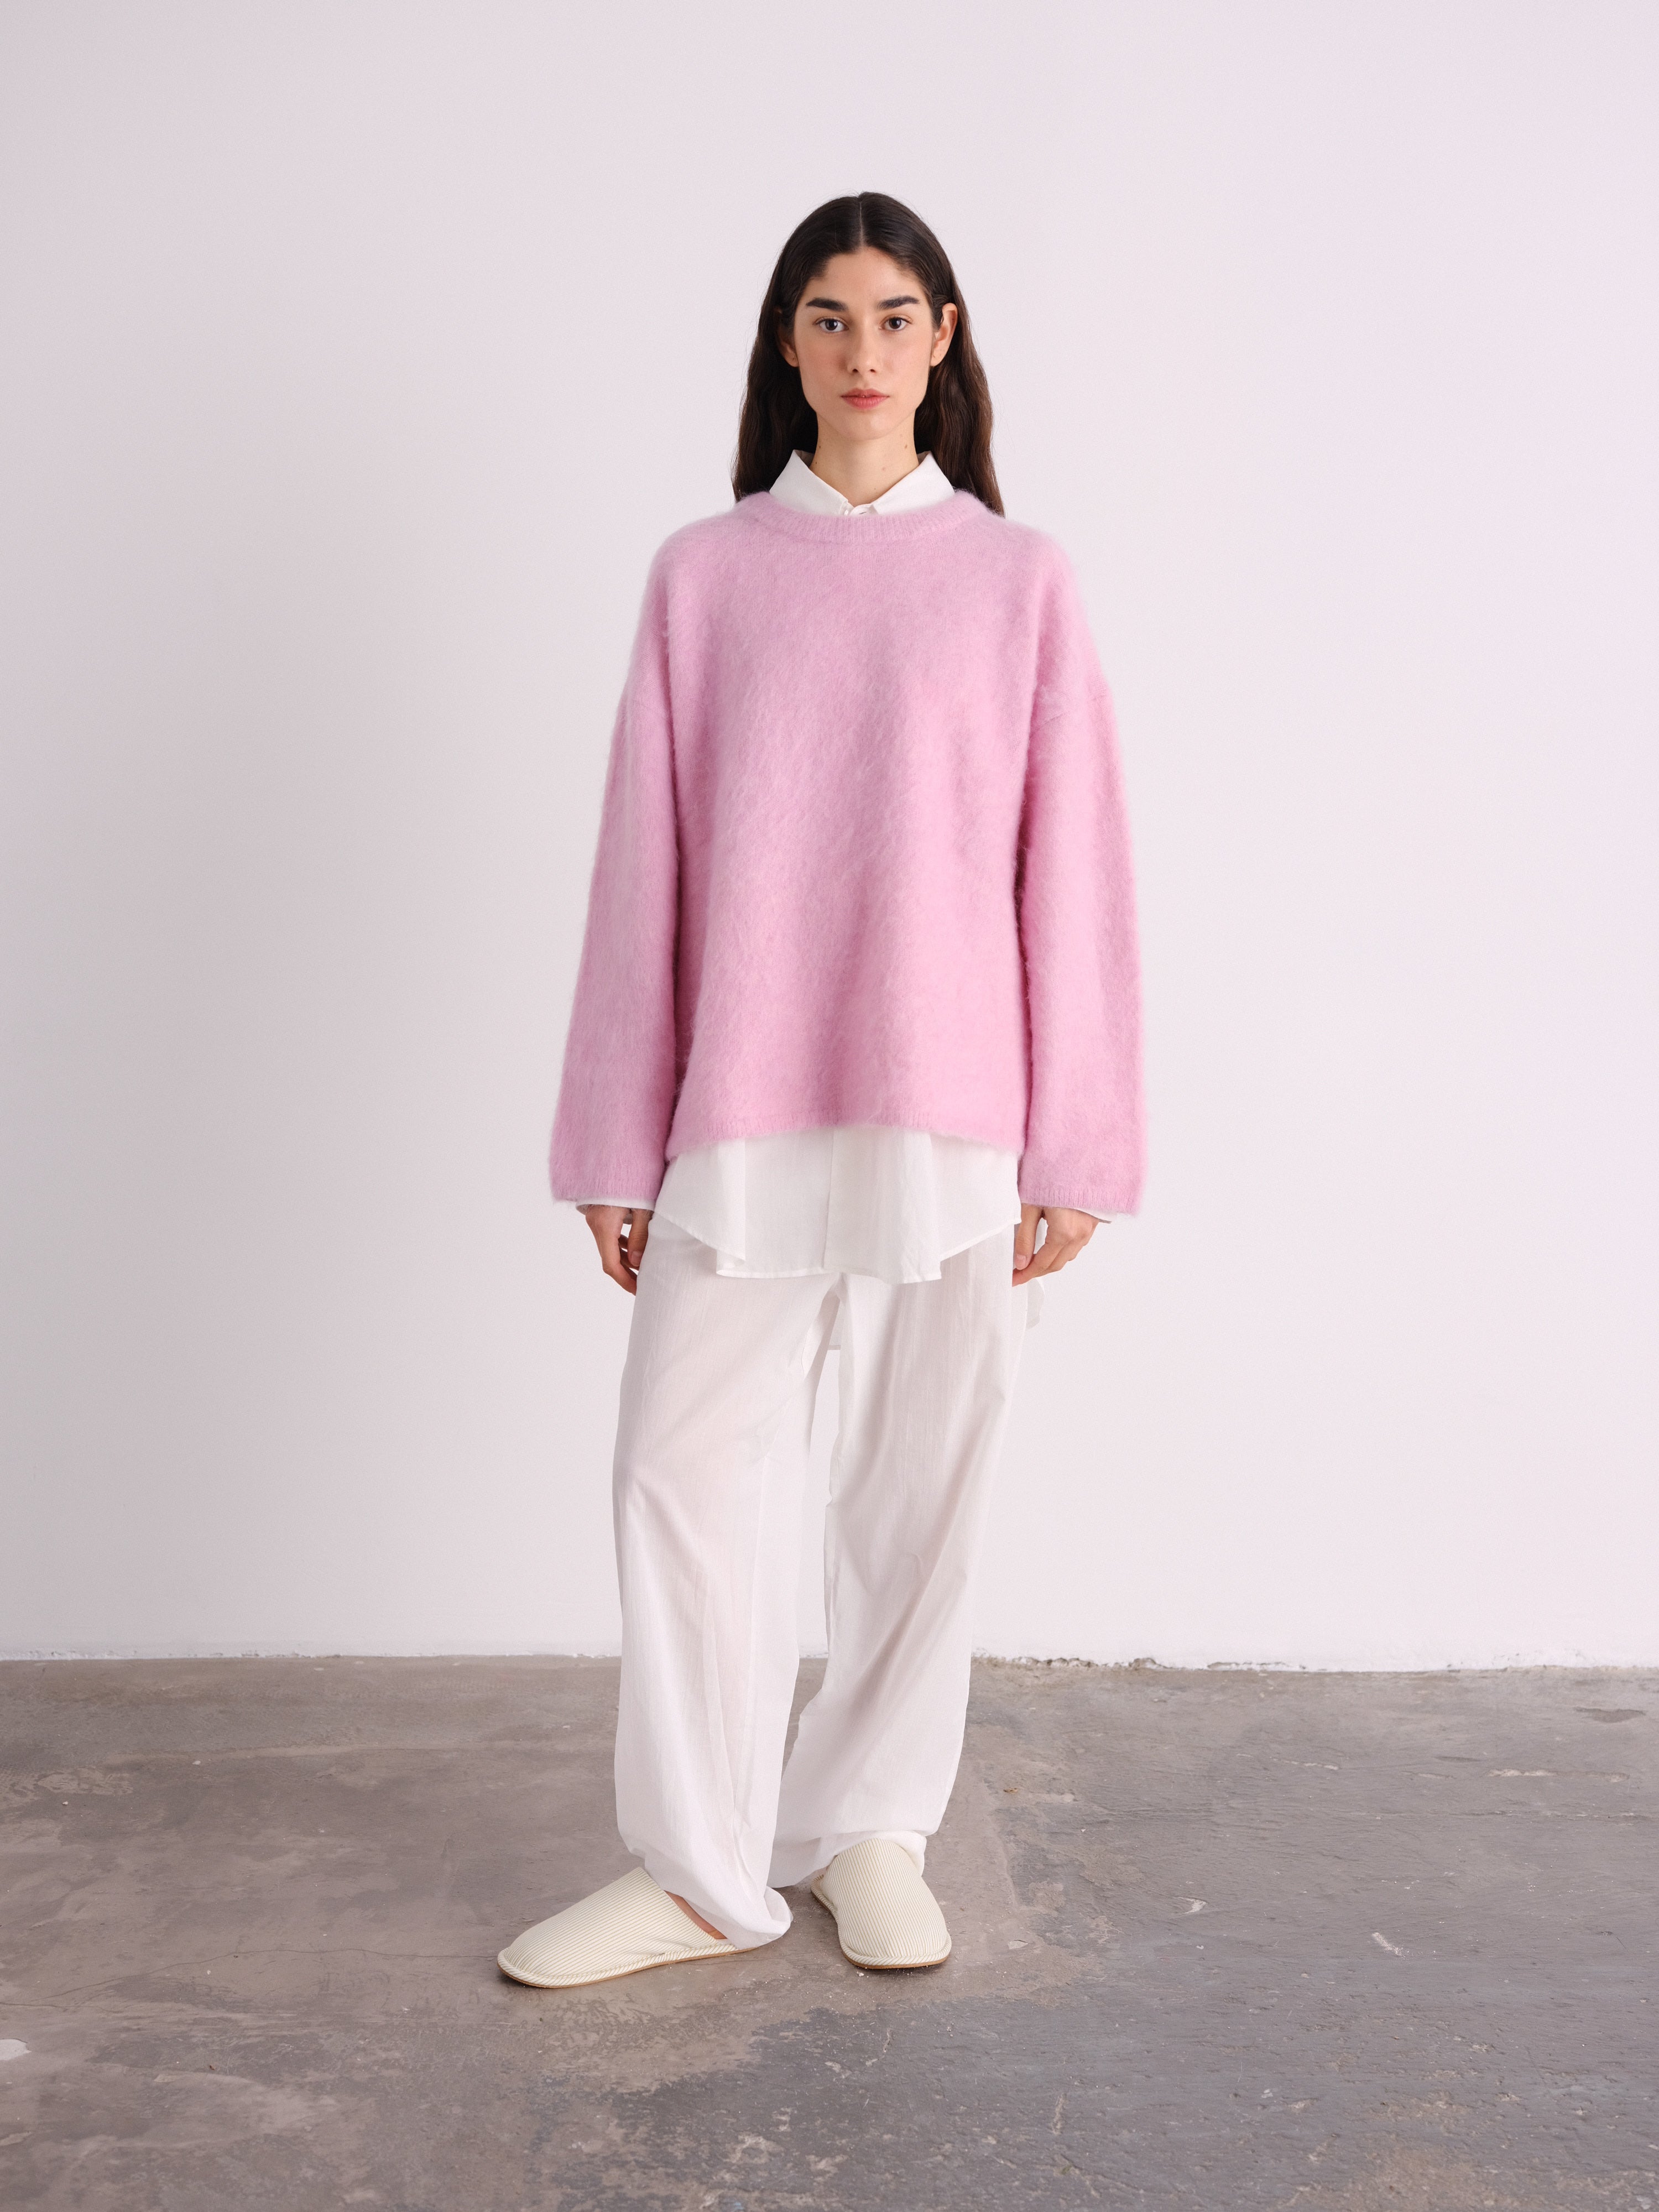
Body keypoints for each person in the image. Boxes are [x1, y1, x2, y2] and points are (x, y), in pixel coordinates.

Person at [497, 192, 1144, 1990]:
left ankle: (870, 1826)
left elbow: (1074, 872)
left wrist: (1081, 1139)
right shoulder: (705, 577)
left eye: (896, 317)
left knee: (924, 1479)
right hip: (749, 1095)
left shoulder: (1018, 582)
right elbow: (647, 871)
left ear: (944, 342)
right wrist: (615, 1140)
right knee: (678, 1465)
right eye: (832, 318)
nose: (866, 352)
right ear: (788, 342)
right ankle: (702, 1873)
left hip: (959, 1102)